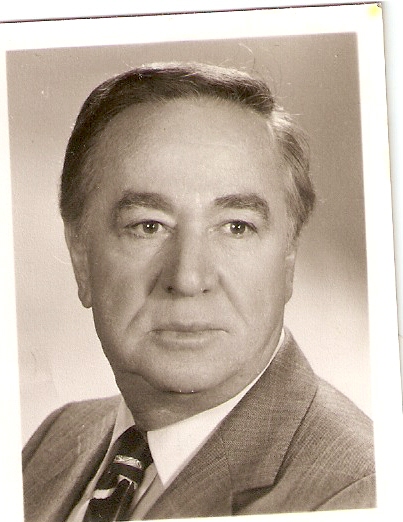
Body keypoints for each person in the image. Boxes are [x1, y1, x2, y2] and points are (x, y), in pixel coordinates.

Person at [22, 62, 375, 522]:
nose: (188, 278)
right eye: (148, 226)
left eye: (236, 227)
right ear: (80, 255)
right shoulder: (53, 442)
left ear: (288, 257)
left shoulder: (358, 490)